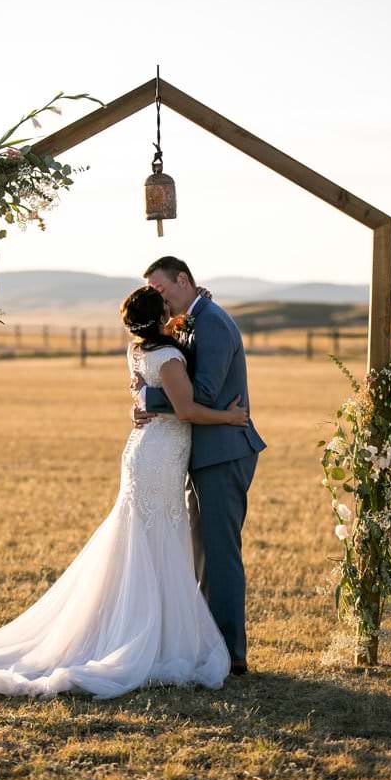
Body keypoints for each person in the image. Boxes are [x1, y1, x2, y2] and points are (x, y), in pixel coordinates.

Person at [0, 285, 244, 698]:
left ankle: (144, 630)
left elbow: (147, 393)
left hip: (146, 452)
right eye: (166, 307)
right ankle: (146, 638)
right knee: (156, 540)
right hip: (159, 455)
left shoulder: (138, 352)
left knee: (143, 541)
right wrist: (230, 418)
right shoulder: (171, 358)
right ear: (161, 316)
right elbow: (187, 410)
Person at [132, 256, 267, 674]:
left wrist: (147, 400)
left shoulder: (210, 322)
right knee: (202, 554)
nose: (158, 298)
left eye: (160, 289)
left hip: (224, 451)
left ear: (183, 280)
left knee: (220, 555)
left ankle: (229, 655)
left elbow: (204, 395)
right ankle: (209, 645)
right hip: (201, 452)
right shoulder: (195, 316)